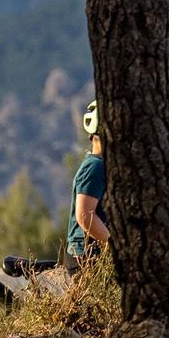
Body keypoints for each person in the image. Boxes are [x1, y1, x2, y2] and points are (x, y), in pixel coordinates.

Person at [65, 99, 109, 264]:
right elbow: (84, 216)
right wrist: (115, 246)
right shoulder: (95, 167)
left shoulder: (101, 165)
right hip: (86, 258)